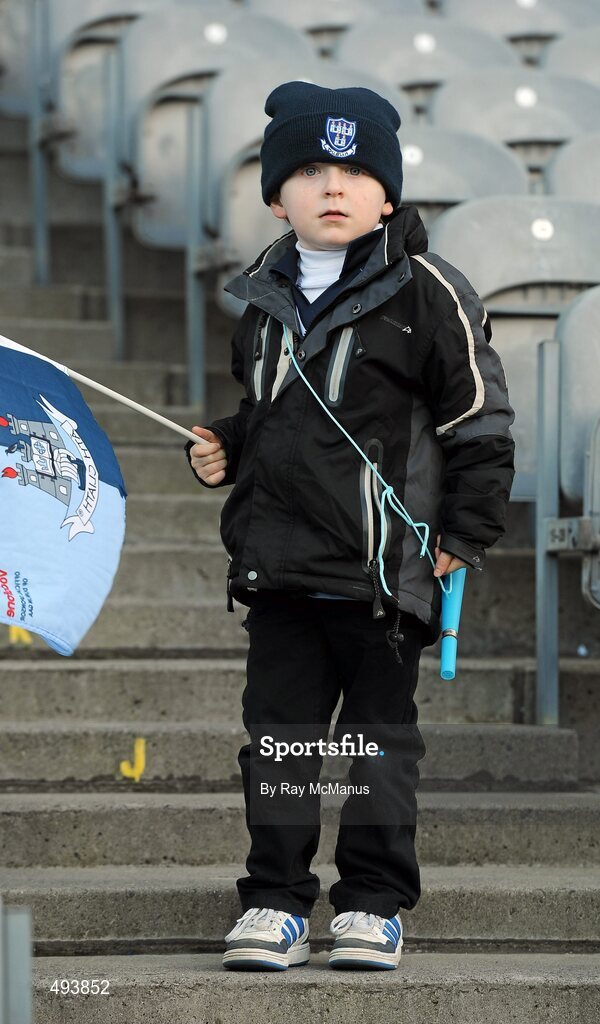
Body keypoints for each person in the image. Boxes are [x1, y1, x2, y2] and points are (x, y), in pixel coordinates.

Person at [184, 81, 515, 972]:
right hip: (281, 567)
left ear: (389, 196)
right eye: (311, 169)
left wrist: (466, 532)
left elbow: (476, 421)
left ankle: (371, 902)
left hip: (382, 570)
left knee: (376, 744)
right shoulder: (261, 301)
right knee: (283, 741)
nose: (335, 186)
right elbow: (276, 420)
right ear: (276, 193)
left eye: (358, 170)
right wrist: (224, 440)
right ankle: (277, 901)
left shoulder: (430, 290)